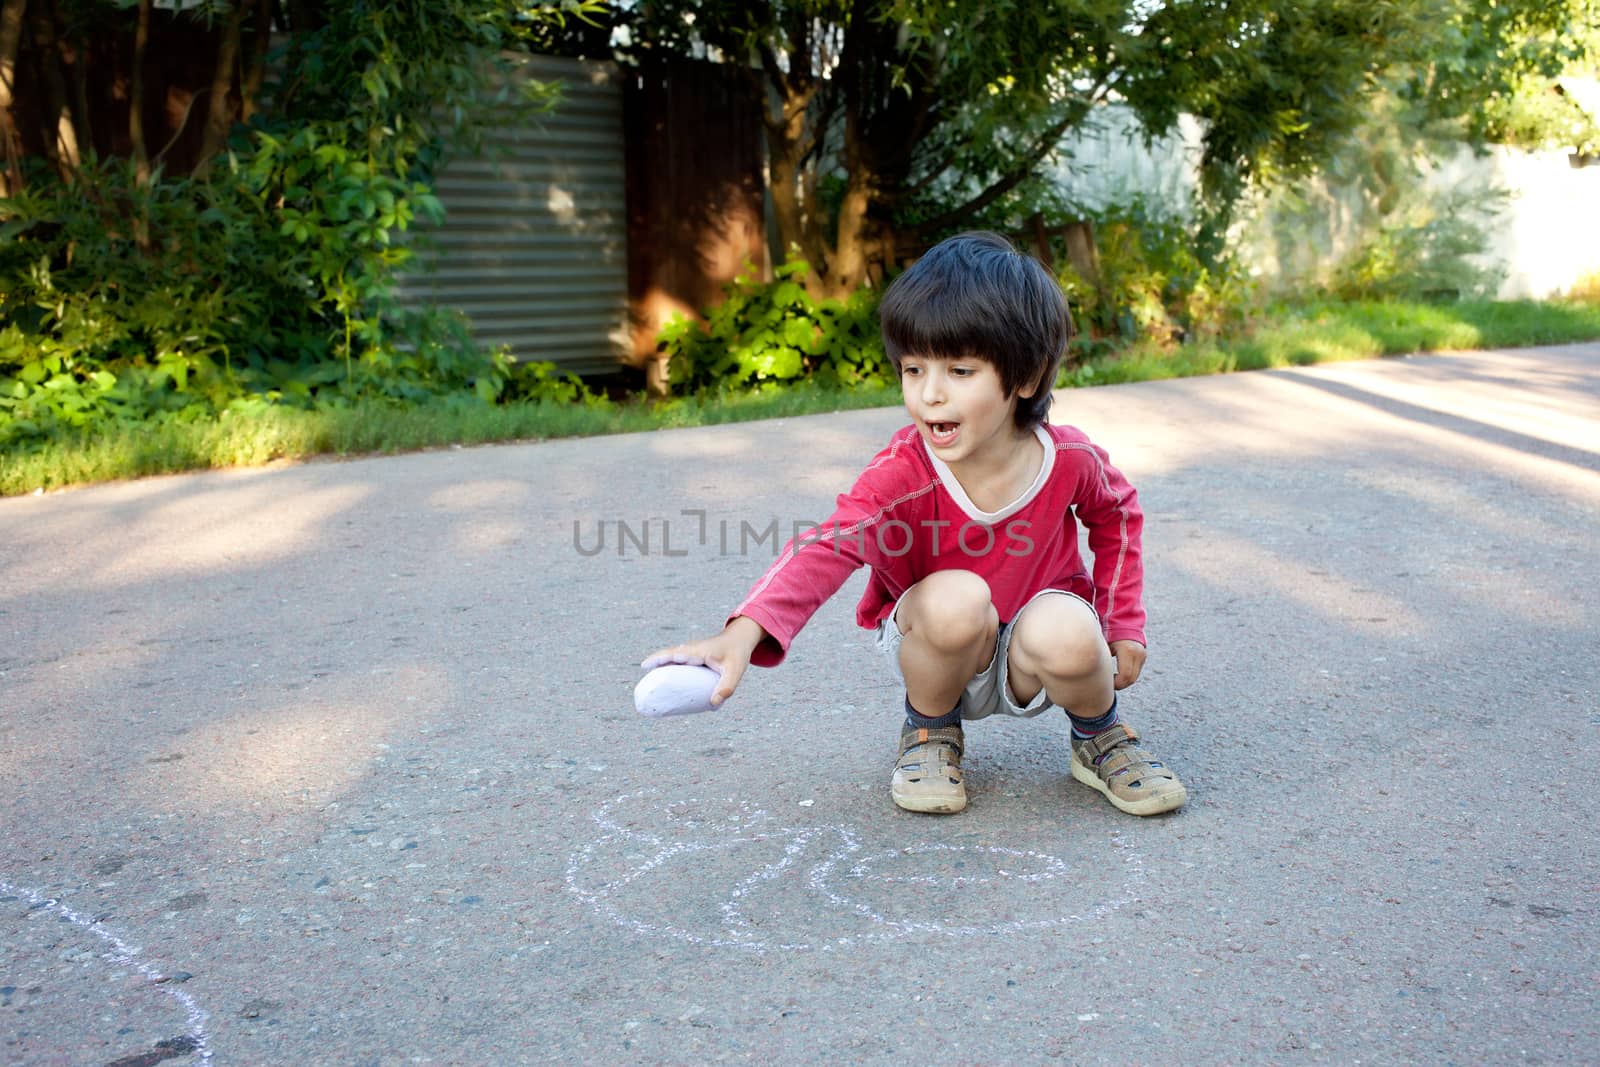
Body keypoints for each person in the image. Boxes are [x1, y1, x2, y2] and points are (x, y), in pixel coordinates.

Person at [641, 231, 1185, 817]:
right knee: (958, 596)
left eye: (959, 370)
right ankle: (929, 731)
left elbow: (1118, 516)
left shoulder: (1070, 460)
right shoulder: (904, 472)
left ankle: (1098, 735)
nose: (929, 394)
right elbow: (830, 543)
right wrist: (744, 630)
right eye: (912, 368)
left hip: (1032, 651)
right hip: (939, 641)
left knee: (1071, 625)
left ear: (1025, 378)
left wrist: (1121, 621)